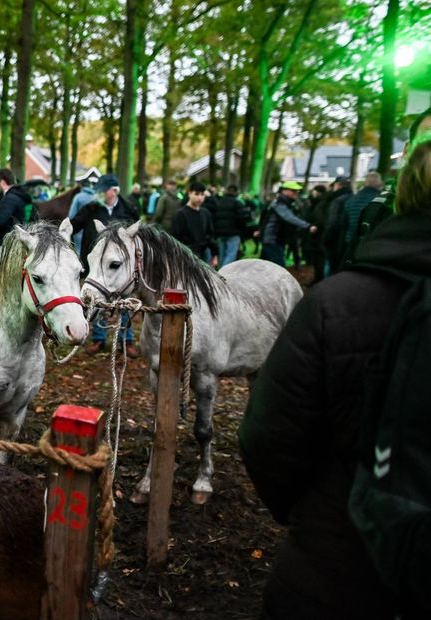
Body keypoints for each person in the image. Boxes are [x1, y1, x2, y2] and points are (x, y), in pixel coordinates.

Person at [238, 140, 431, 620]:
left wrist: (310, 510)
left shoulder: (335, 304)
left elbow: (269, 435)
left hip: (336, 560)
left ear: (399, 196)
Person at [69, 173, 140, 357]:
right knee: (97, 299)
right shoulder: (91, 208)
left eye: (102, 190)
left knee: (125, 302)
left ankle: (127, 340)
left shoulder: (128, 208)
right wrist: (62, 232)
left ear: (113, 191)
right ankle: (99, 339)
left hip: (121, 267)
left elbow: (136, 235)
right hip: (95, 265)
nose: (98, 193)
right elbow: (74, 224)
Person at [258, 181, 317, 266]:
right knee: (279, 267)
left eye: (297, 191)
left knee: (266, 266)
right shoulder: (279, 204)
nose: (296, 193)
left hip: (275, 240)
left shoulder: (287, 203)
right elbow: (289, 217)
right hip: (273, 240)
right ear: (284, 191)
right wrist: (308, 226)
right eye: (293, 190)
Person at [171, 182, 219, 265]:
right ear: (190, 193)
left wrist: (215, 254)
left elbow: (210, 236)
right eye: (196, 194)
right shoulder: (180, 214)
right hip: (185, 258)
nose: (200, 198)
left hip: (203, 257)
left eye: (202, 194)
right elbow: (175, 238)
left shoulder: (205, 213)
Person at [0, 168, 33, 248]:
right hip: (15, 241)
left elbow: (1, 222)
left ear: (2, 182)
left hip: (5, 244)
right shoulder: (19, 196)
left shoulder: (9, 199)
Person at [208, 184, 251, 268]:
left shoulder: (219, 202)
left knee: (222, 254)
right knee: (231, 254)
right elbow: (243, 219)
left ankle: (220, 273)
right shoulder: (238, 203)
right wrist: (242, 231)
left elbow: (214, 218)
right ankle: (225, 273)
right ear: (236, 192)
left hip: (220, 233)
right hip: (234, 233)